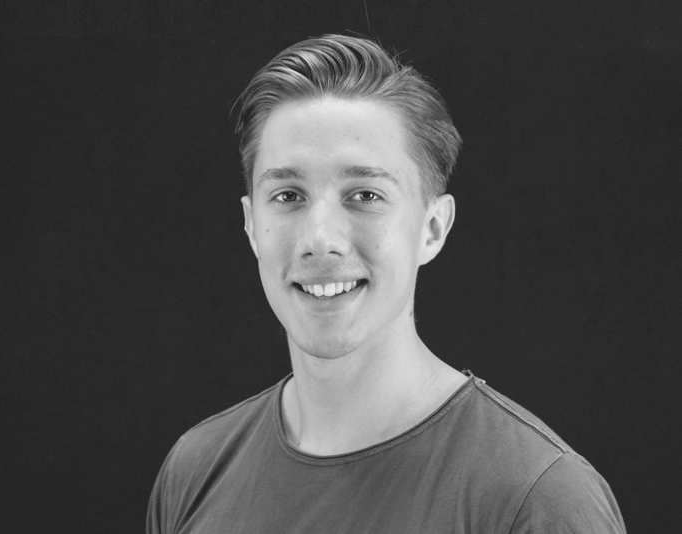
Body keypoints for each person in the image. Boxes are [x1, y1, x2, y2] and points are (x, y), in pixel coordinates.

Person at [147, 34, 626, 533]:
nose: (320, 240)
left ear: (433, 228)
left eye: (365, 195)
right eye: (288, 195)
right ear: (251, 226)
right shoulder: (194, 471)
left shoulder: (537, 497)